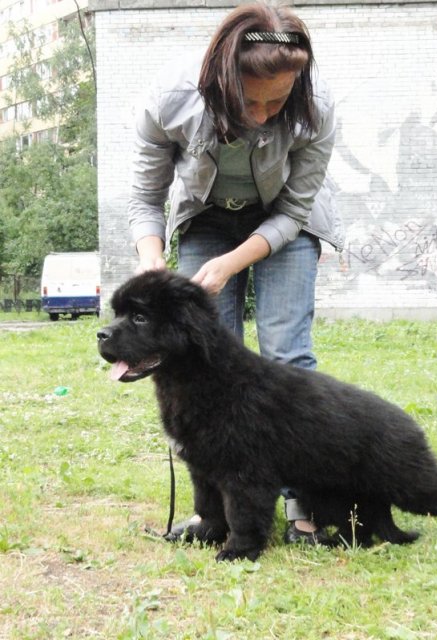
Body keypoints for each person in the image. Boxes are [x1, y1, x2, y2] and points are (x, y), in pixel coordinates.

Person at [128, 1, 344, 545]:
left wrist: (230, 264)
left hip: (284, 229)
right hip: (205, 222)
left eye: (281, 100)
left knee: (287, 353)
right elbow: (145, 199)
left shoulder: (316, 107)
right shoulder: (171, 102)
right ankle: (214, 516)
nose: (268, 113)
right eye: (253, 101)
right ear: (224, 79)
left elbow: (294, 211)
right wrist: (152, 262)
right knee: (204, 366)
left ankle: (303, 505)